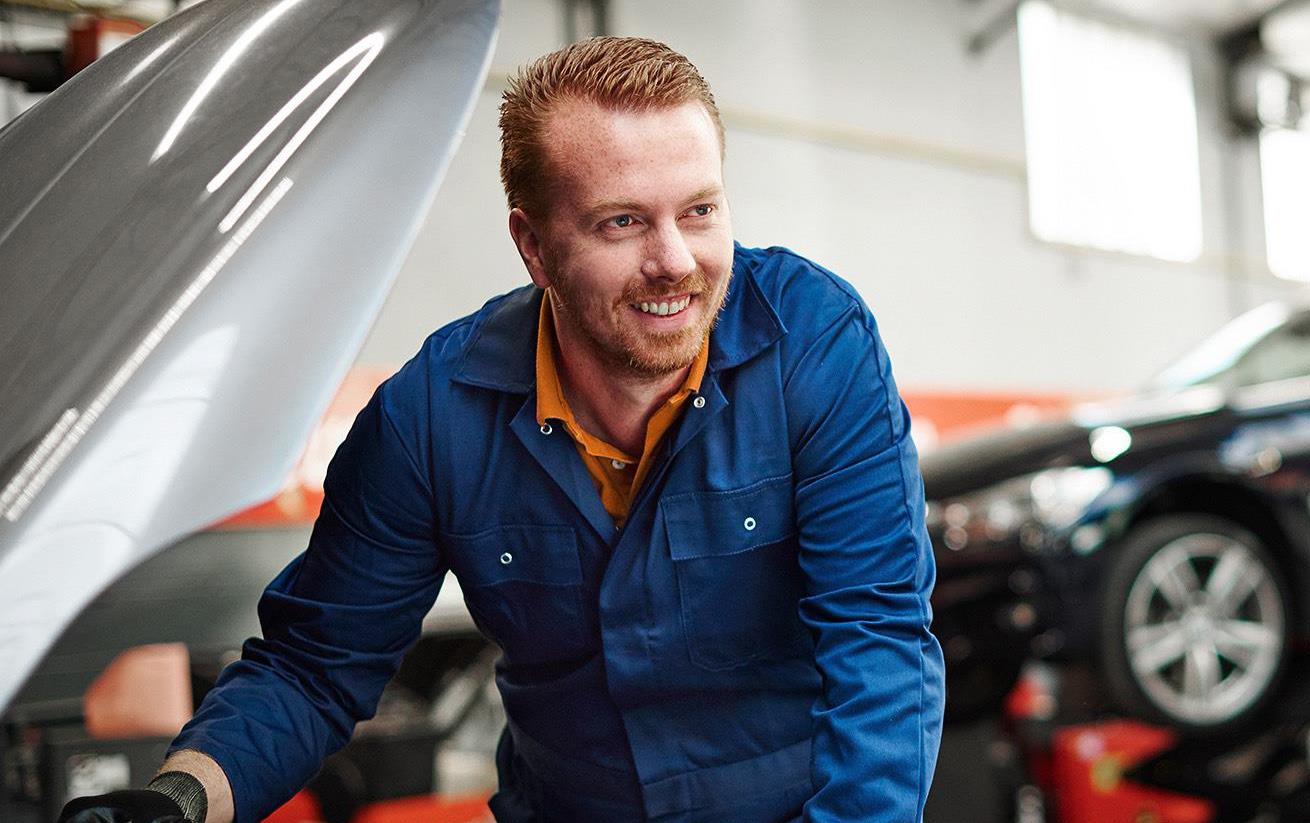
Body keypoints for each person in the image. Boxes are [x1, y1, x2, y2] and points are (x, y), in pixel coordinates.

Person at [61, 36, 944, 823]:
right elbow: (312, 666)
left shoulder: (814, 344)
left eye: (700, 210)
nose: (675, 259)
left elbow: (878, 638)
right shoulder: (431, 421)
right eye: (623, 221)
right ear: (533, 244)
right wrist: (174, 801)